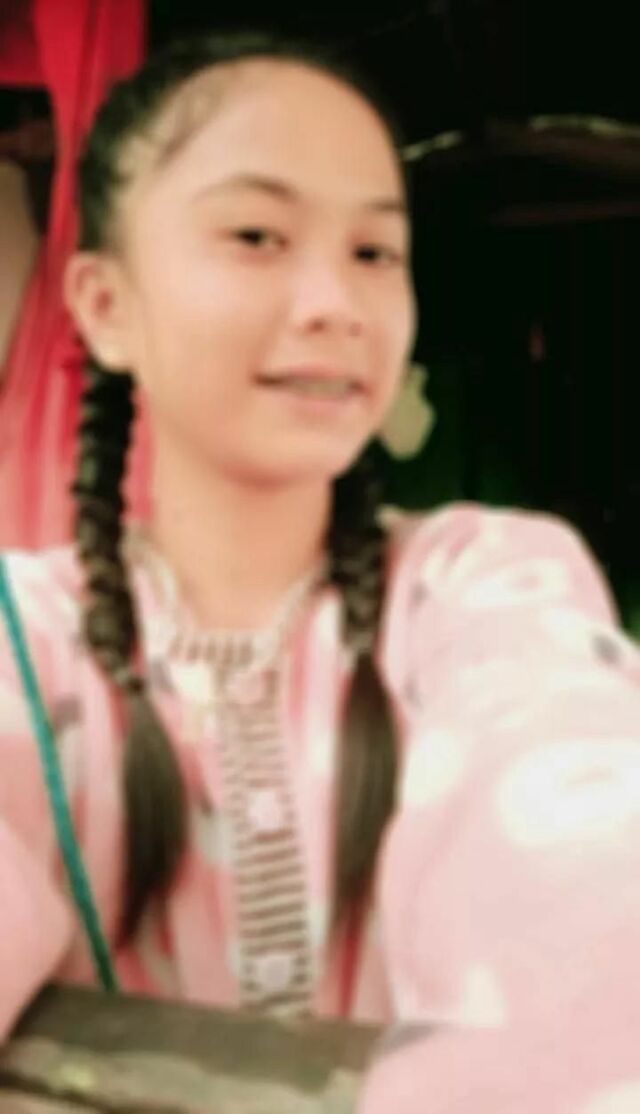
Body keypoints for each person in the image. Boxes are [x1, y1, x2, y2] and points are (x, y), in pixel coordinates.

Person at [1, 30, 640, 1113]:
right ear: (105, 305)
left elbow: (585, 862)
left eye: (375, 252)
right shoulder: (20, 639)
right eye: (257, 235)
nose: (336, 303)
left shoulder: (488, 587)